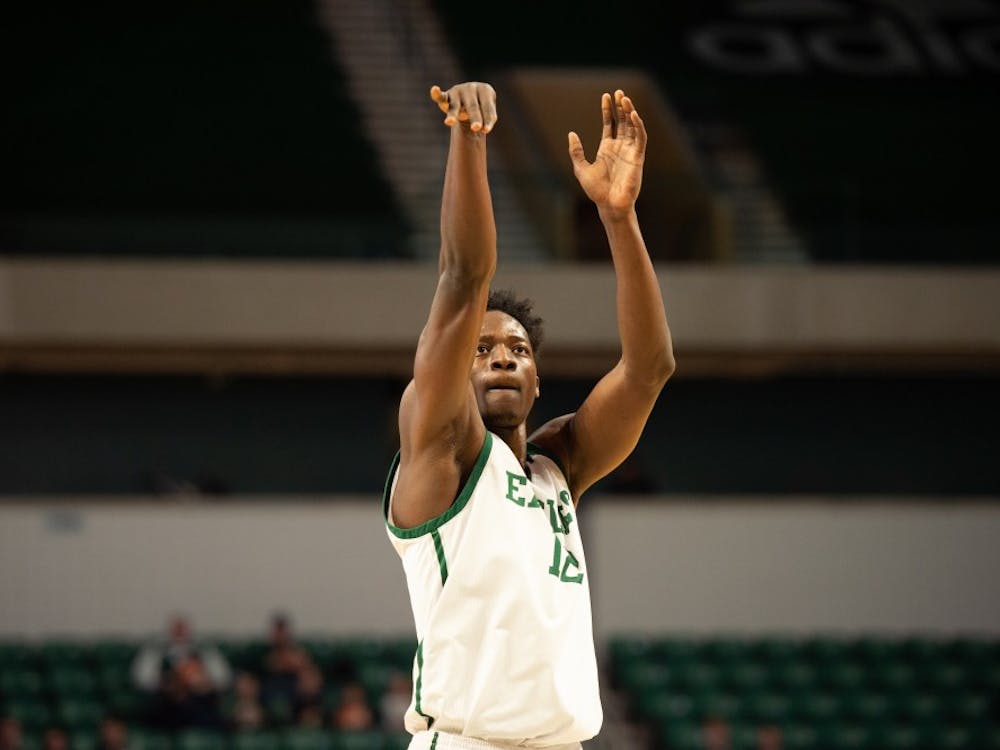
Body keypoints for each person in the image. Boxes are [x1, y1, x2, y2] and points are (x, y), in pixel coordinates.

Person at [382, 81, 674, 750]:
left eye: (517, 350)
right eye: (482, 350)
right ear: (458, 368)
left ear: (538, 380)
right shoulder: (440, 450)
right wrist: (468, 140)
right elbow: (462, 276)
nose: (502, 359)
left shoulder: (557, 468)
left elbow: (648, 368)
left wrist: (619, 217)